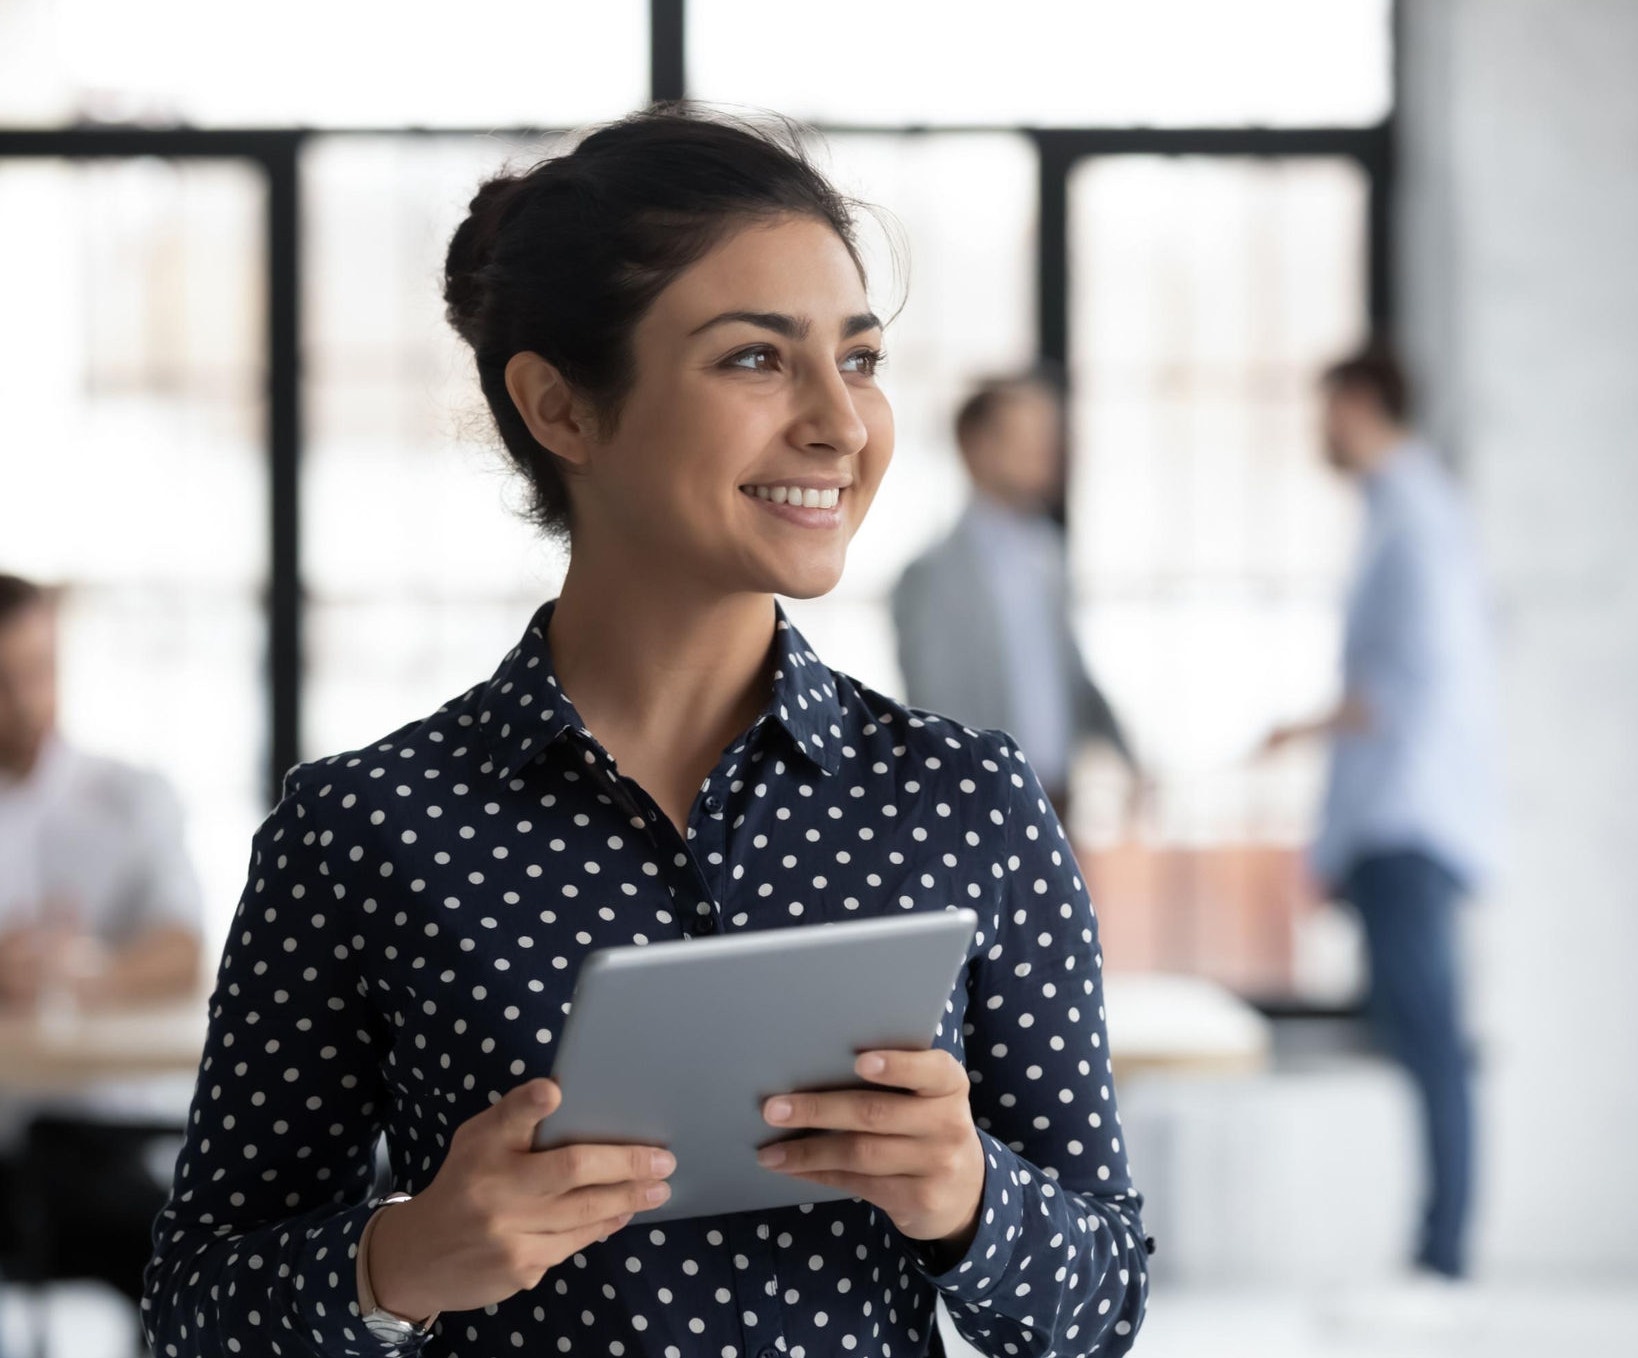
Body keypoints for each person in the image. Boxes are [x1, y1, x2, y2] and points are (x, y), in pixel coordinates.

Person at [142, 109, 1150, 1357]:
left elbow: (1103, 1306)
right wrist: (398, 1258)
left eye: (862, 357)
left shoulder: (968, 803)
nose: (841, 422)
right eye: (755, 360)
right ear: (560, 407)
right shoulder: (365, 830)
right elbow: (195, 1313)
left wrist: (970, 1199)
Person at [1263, 344, 1496, 1281]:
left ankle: (1442, 1262)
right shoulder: (1399, 513)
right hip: (1397, 823)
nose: (1319, 433)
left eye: (1326, 411)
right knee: (1419, 1038)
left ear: (1361, 404)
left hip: (1409, 824)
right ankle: (1435, 1256)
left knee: (1434, 1041)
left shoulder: (1416, 517)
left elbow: (1403, 690)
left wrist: (1299, 735)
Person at [0, 572, 204, 1304]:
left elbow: (182, 948)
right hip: (10, 1132)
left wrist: (79, 972)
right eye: (3, 680)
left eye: (38, 672)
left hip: (95, 1128)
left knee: (161, 1240)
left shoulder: (129, 796)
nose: (24, 701)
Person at [891, 374, 1140, 827]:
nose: (1047, 451)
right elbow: (933, 708)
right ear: (975, 446)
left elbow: (1072, 672)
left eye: (1050, 435)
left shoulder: (1047, 553)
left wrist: (1127, 755)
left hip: (1058, 796)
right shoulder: (930, 575)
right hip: (979, 803)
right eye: (1028, 435)